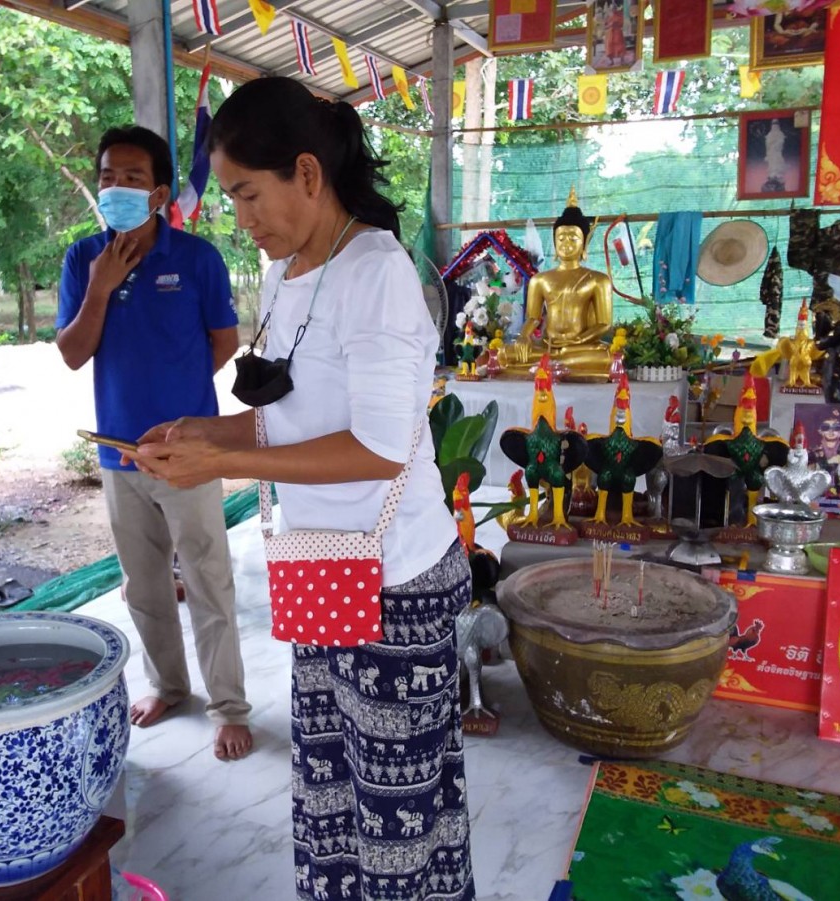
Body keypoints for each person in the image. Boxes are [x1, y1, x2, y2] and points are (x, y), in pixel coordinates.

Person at [131, 77, 475, 901]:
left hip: (394, 582)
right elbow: (285, 422)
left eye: (250, 193)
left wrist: (225, 463)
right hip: (325, 570)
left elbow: (380, 449)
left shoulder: (377, 273)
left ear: (309, 176)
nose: (241, 217)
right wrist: (199, 432)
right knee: (329, 794)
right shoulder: (294, 274)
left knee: (396, 811)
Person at [55, 125, 252, 761]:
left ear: (160, 191)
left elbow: (224, 342)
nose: (116, 188)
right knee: (143, 587)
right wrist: (100, 288)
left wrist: (186, 415)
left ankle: (228, 707)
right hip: (118, 455)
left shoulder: (197, 259)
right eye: (108, 176)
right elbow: (72, 354)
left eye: (132, 179)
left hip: (189, 456)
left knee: (207, 579)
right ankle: (168, 686)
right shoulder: (82, 259)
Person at [505, 188, 615, 376]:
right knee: (504, 355)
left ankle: (553, 364)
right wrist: (524, 336)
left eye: (573, 238)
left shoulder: (598, 280)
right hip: (548, 346)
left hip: (580, 348)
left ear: (584, 244)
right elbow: (533, 318)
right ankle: (555, 363)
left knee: (607, 358)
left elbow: (604, 324)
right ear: (555, 243)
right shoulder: (540, 280)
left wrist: (578, 341)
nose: (566, 243)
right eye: (561, 238)